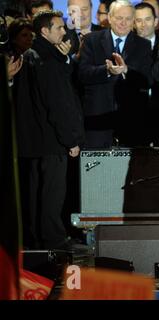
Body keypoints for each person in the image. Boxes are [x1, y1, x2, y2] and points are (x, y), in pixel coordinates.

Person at [13, 10, 84, 249]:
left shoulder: (31, 56)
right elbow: (58, 105)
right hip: (52, 141)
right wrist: (70, 140)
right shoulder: (48, 60)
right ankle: (54, 239)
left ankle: (36, 238)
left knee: (35, 193)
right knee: (52, 192)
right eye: (59, 28)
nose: (64, 32)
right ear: (45, 31)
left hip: (33, 143)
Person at [78, 0, 155, 148]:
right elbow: (82, 74)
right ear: (110, 17)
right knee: (97, 168)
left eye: (128, 19)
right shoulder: (91, 40)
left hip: (130, 120)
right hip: (97, 119)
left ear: (133, 21)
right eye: (119, 18)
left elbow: (148, 80)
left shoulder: (143, 45)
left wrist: (126, 70)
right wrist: (106, 70)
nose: (123, 23)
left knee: (127, 169)